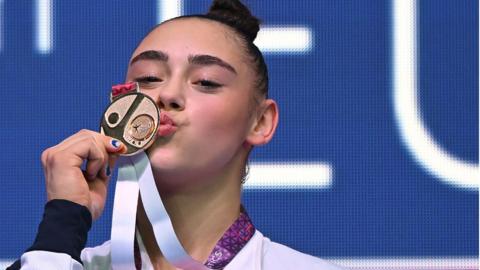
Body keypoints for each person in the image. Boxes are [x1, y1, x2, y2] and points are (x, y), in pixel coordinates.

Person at [8, 0, 345, 269]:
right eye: (150, 77)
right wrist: (64, 219)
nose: (166, 95)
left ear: (260, 122)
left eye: (206, 81)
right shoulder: (57, 262)